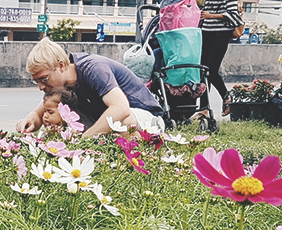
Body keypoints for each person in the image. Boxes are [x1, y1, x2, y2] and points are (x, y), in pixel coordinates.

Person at [15, 38, 163, 137]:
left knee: (120, 123)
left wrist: (86, 139)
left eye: (43, 79)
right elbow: (40, 112)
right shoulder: (57, 84)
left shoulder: (93, 69)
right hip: (117, 118)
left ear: (60, 65)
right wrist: (29, 121)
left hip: (148, 118)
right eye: (36, 81)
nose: (41, 87)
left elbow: (121, 108)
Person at [199, 0, 242, 117]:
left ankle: (226, 96)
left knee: (211, 70)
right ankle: (203, 109)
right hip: (206, 33)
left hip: (221, 35)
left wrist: (210, 16)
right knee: (202, 71)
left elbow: (234, 15)